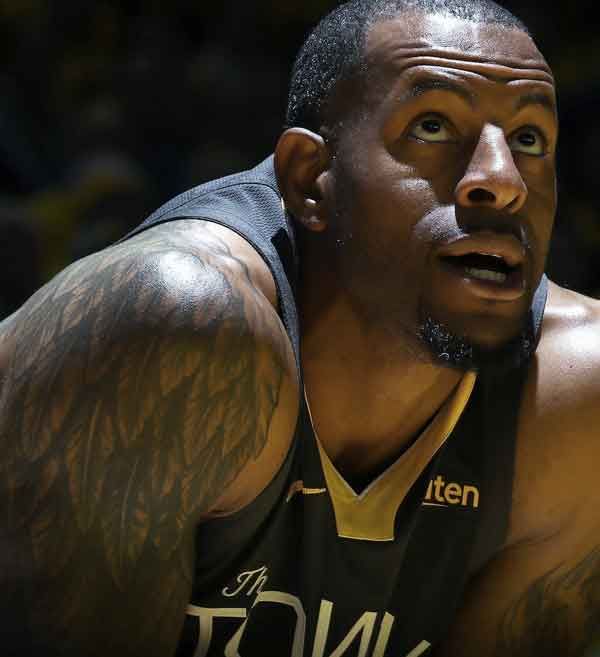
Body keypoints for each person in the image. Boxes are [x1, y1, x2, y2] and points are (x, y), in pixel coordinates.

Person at [1, 0, 599, 655]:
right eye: (432, 126)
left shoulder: (577, 400)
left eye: (529, 139)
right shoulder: (174, 330)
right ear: (310, 179)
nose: (502, 181)